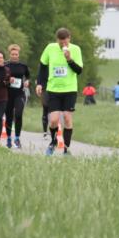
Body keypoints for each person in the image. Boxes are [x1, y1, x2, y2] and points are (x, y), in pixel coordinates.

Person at [36, 27, 83, 156]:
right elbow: (43, 66)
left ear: (69, 39)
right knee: (53, 120)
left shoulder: (76, 49)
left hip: (69, 89)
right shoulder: (50, 48)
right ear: (57, 40)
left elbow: (79, 71)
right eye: (60, 42)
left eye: (65, 42)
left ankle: (67, 149)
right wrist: (40, 83)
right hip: (53, 89)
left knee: (67, 118)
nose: (63, 44)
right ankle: (53, 141)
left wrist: (69, 59)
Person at [4, 44, 31, 149]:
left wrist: (27, 81)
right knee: (9, 117)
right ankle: (9, 139)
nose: (14, 56)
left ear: (19, 55)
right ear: (10, 54)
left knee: (18, 114)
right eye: (12, 54)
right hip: (8, 94)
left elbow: (28, 76)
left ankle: (17, 138)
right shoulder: (5, 65)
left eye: (16, 54)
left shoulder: (23, 66)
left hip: (20, 93)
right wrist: (7, 80)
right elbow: (1, 77)